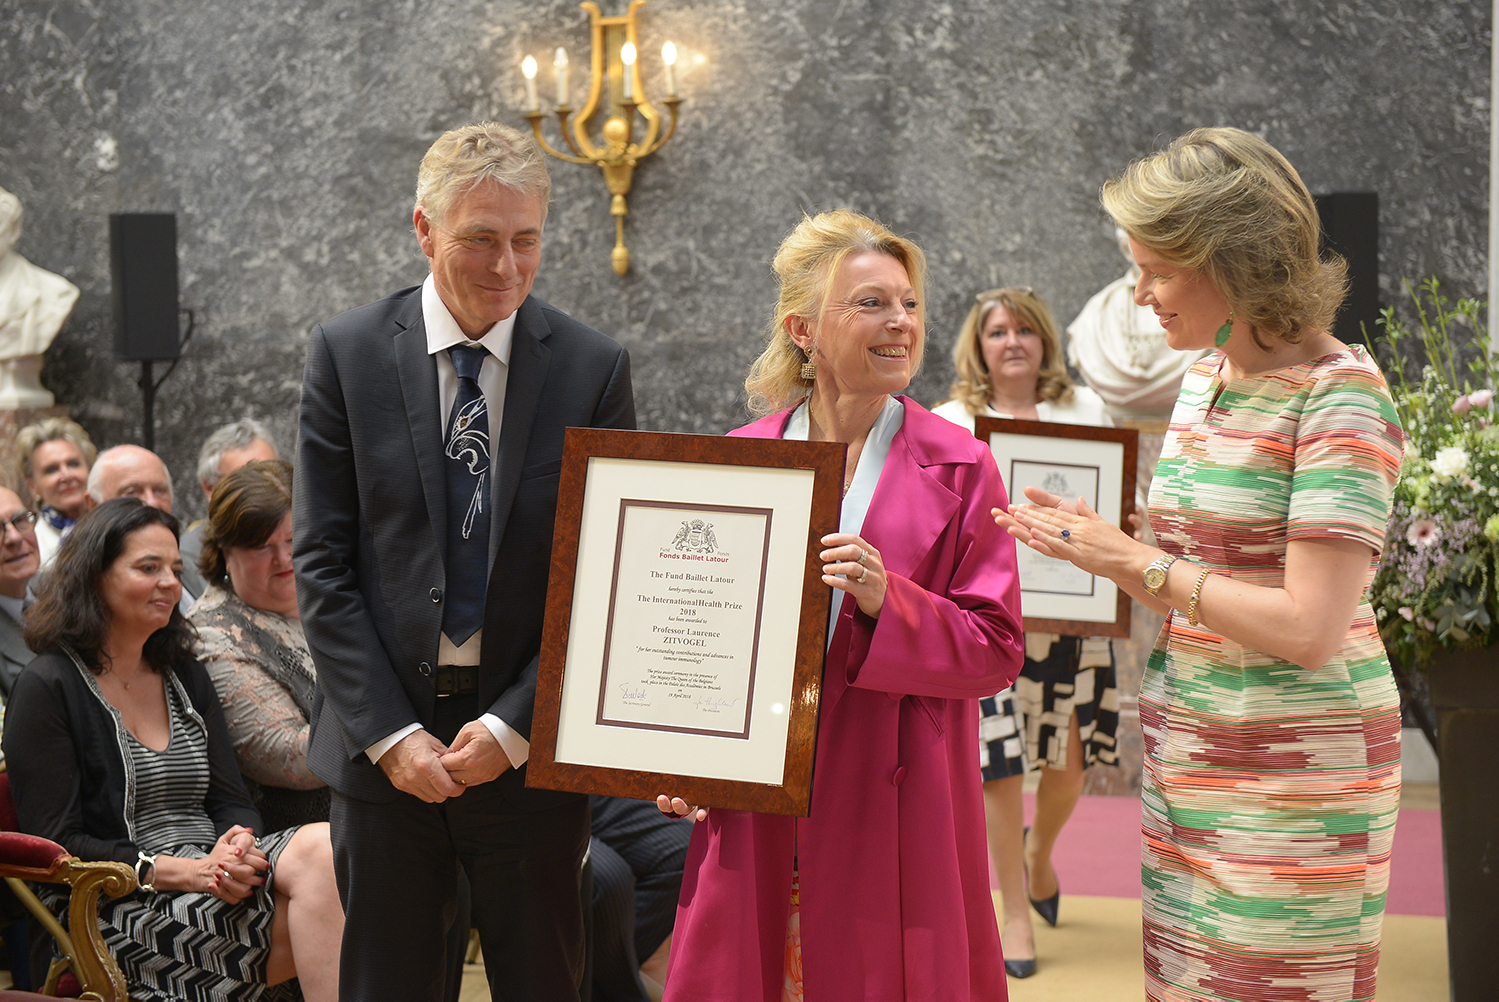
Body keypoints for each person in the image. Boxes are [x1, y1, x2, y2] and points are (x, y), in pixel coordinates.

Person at [994, 127, 1404, 1002]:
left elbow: (1308, 628)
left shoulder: (1340, 396)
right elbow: (1207, 553)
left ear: (1234, 259)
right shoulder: (1206, 373)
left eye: (1155, 270)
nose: (1137, 294)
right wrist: (1099, 541)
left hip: (1294, 772)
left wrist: (1133, 562)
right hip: (1189, 750)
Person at [295, 120, 635, 1000]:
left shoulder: (593, 369)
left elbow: (601, 576)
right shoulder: (347, 354)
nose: (507, 268)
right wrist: (390, 738)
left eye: (526, 241)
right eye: (479, 239)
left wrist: (516, 726)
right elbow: (322, 566)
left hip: (529, 763)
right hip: (384, 762)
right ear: (423, 228)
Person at [657, 210, 1024, 1001]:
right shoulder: (738, 457)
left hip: (893, 797)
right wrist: (682, 756)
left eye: (910, 302)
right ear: (803, 327)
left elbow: (995, 648)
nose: (901, 322)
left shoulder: (963, 466)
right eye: (871, 303)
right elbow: (698, 640)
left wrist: (890, 598)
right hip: (757, 801)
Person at [2, 498, 344, 1001]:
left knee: (332, 849)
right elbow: (59, 844)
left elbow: (231, 798)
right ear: (94, 575)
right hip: (114, 903)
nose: (170, 583)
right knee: (349, 907)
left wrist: (237, 849)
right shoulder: (47, 687)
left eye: (175, 569)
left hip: (212, 874)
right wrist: (185, 872)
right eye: (148, 568)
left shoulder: (184, 672)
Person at [932, 286, 1120, 979]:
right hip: (990, 616)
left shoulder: (1087, 410)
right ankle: (1012, 910)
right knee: (1000, 766)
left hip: (1074, 616)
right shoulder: (952, 420)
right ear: (977, 347)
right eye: (995, 332)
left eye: (1023, 330)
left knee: (1068, 767)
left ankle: (1038, 854)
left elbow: (1109, 508)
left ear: (1043, 339)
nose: (1010, 341)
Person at [190, 459, 328, 832]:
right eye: (262, 547)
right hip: (299, 839)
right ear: (224, 552)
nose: (285, 559)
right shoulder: (212, 636)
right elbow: (291, 758)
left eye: (294, 539)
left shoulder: (334, 591)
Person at [182, 419, 280, 598]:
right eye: (243, 480)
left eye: (270, 475)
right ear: (209, 487)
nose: (262, 490)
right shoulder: (186, 559)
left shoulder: (307, 536)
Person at [14, 416, 95, 566]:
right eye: (51, 470)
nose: (66, 476)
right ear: (32, 486)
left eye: (73, 464)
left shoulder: (114, 524)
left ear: (89, 469)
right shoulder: (31, 547)